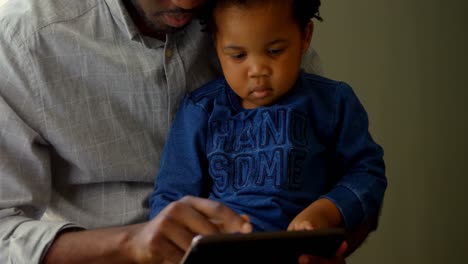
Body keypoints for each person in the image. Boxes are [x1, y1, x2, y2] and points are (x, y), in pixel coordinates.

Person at [0, 0, 379, 263]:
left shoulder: (265, 17)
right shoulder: (22, 40)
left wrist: (329, 240)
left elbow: (351, 176)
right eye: (237, 55)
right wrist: (134, 244)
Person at [149, 0, 386, 248]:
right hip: (223, 251)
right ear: (216, 46)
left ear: (305, 36)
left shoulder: (332, 103)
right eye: (238, 55)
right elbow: (172, 197)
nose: (257, 70)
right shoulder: (200, 110)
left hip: (298, 248)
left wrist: (327, 211)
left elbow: (366, 173)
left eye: (274, 51)